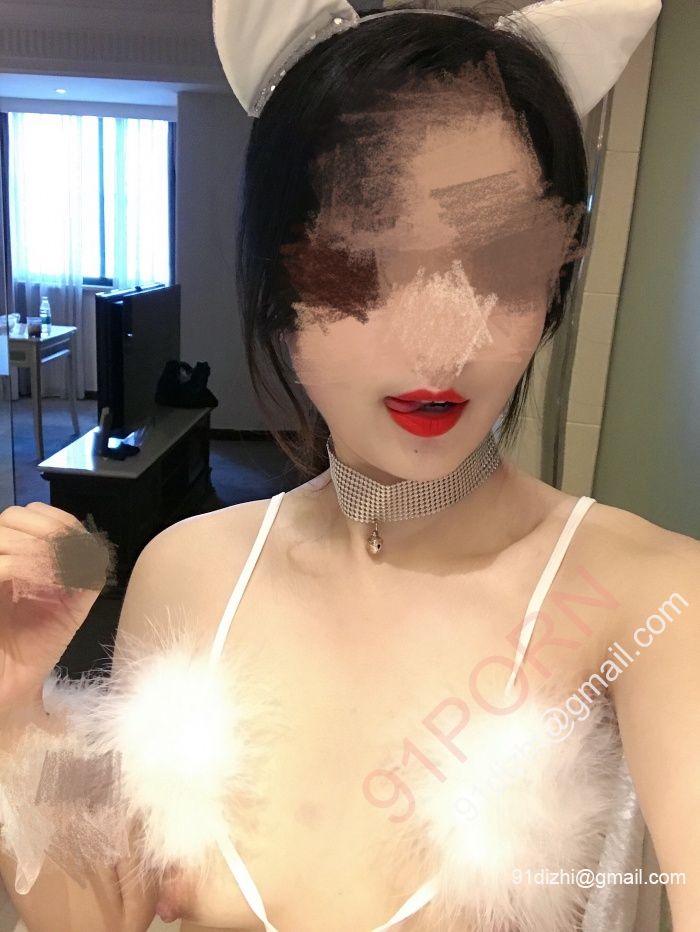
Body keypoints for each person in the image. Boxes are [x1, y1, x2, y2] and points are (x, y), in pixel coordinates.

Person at [2, 1, 698, 931]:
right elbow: (107, 914)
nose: (442, 339)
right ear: (276, 287)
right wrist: (14, 717)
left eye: (501, 264)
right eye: (365, 263)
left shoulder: (651, 599)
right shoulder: (188, 570)